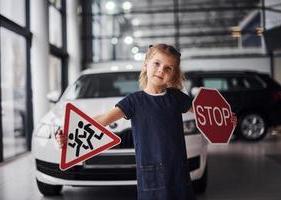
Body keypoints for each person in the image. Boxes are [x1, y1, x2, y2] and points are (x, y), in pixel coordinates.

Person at [57, 43, 237, 200]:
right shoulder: (134, 101)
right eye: (157, 64)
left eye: (168, 68)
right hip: (150, 173)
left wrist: (226, 120)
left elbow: (204, 113)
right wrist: (69, 134)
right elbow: (102, 120)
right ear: (145, 65)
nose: (161, 70)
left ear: (173, 75)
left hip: (178, 171)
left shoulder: (177, 98)